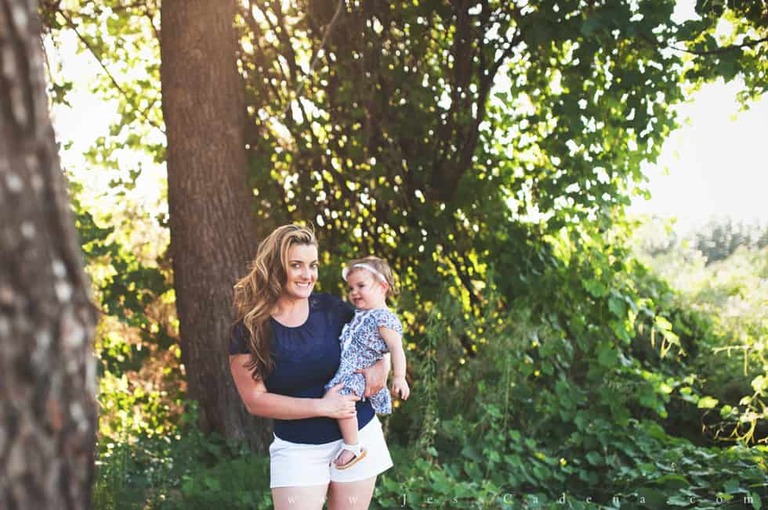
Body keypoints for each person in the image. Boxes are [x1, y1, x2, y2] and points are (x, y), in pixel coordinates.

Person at [228, 224, 393, 510]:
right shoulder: (250, 330)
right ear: (275, 268)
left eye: (312, 265)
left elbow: (380, 326)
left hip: (357, 438)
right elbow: (255, 400)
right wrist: (324, 407)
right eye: (296, 265)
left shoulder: (331, 308)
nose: (308, 275)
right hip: (298, 450)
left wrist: (383, 366)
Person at [326, 256, 410, 470]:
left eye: (361, 286)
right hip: (350, 369)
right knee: (338, 398)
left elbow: (396, 348)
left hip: (360, 373)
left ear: (383, 287)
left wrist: (399, 377)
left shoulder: (383, 318)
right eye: (351, 287)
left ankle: (353, 446)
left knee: (341, 399)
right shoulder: (362, 314)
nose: (354, 292)